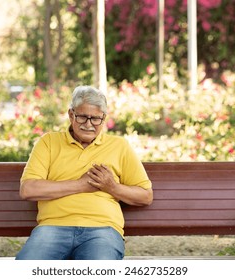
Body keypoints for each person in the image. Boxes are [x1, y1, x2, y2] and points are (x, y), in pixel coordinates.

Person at [15, 85, 153, 260]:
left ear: (103, 119)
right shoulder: (48, 142)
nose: (89, 124)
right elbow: (28, 189)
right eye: (82, 117)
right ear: (71, 114)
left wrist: (111, 187)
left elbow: (145, 196)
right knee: (27, 270)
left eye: (95, 119)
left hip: (103, 230)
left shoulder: (119, 146)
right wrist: (80, 184)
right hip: (52, 228)